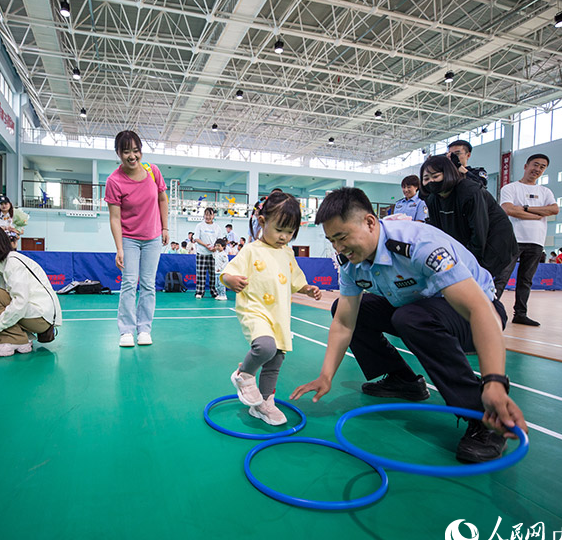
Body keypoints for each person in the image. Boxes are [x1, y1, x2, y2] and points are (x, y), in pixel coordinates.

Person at [290, 188, 527, 463]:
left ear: (369, 222)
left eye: (342, 237)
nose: (338, 249)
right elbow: (344, 322)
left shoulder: (419, 245)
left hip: (479, 315)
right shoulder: (350, 262)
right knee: (355, 309)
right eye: (332, 241)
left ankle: (484, 417)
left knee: (410, 318)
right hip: (419, 310)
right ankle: (403, 381)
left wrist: (494, 382)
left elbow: (480, 311)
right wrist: (326, 376)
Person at [222, 191, 322, 425]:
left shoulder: (287, 252)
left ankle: (264, 403)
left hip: (279, 315)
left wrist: (306, 288)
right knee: (265, 347)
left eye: (290, 232)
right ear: (262, 221)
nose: (284, 237)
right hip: (255, 310)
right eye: (280, 230)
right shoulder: (251, 250)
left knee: (275, 360)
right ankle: (243, 375)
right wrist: (230, 281)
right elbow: (228, 271)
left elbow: (295, 278)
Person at [104, 130, 169, 347]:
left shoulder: (153, 171)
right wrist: (119, 248)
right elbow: (115, 218)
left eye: (136, 150)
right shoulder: (114, 181)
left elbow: (162, 199)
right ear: (118, 154)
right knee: (130, 283)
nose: (132, 156)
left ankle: (144, 329)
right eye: (126, 152)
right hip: (129, 238)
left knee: (149, 285)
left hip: (153, 237)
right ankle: (126, 331)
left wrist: (165, 228)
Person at [419, 156, 517, 279]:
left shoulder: (469, 192)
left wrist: (468, 263)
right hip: (467, 243)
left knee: (483, 288)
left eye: (436, 176)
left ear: (448, 174)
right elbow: (438, 233)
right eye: (426, 178)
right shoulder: (432, 199)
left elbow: (478, 232)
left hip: (494, 244)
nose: (431, 182)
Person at [0, 225, 61, 356]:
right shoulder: (5, 263)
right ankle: (22, 337)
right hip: (39, 317)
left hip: (41, 319)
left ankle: (16, 340)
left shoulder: (13, 263)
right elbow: (5, 301)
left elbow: (20, 303)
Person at [494, 153, 559, 326]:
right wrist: (537, 213)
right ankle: (489, 310)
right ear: (526, 166)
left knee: (526, 280)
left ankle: (520, 314)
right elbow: (508, 209)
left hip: (536, 241)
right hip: (513, 239)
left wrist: (525, 208)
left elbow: (554, 210)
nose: (537, 169)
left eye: (542, 167)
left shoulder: (545, 191)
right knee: (501, 277)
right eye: (535, 165)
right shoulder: (511, 188)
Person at [194, 208, 226, 299]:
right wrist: (205, 245)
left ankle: (214, 292)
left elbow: (220, 240)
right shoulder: (199, 225)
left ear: (213, 216)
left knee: (213, 274)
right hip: (202, 253)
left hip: (214, 254)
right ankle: (200, 292)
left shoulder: (217, 227)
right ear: (204, 215)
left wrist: (214, 248)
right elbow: (196, 238)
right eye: (206, 215)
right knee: (201, 274)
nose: (208, 217)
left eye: (210, 215)